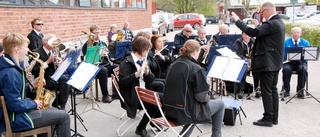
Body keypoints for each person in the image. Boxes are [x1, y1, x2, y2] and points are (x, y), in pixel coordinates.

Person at [0, 32, 70, 137]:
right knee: (64, 116)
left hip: (18, 116)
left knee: (52, 112)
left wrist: (32, 86)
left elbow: (16, 92)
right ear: (17, 49)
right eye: (25, 47)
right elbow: (14, 105)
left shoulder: (9, 67)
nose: (27, 50)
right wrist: (34, 104)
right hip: (18, 119)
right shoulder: (10, 73)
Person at [231, 1, 285, 127]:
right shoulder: (278, 22)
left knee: (267, 90)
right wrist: (259, 25)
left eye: (261, 12)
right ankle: (273, 118)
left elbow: (253, 32)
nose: (261, 15)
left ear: (267, 10)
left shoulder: (272, 23)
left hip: (268, 63)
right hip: (275, 62)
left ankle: (267, 119)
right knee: (272, 90)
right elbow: (263, 32)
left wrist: (238, 21)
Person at [164, 40, 225, 137]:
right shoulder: (195, 68)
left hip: (170, 109)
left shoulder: (173, 64)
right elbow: (201, 97)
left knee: (194, 105)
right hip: (187, 112)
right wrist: (208, 96)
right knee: (220, 104)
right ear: (196, 52)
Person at [119, 36, 162, 137]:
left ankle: (154, 120)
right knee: (156, 104)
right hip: (132, 96)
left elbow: (151, 79)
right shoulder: (127, 63)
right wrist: (136, 74)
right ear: (141, 49)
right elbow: (123, 83)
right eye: (146, 50)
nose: (147, 52)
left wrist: (147, 71)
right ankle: (141, 128)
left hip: (143, 90)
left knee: (163, 96)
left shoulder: (142, 59)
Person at [31, 34, 70, 110]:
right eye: (52, 41)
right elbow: (34, 70)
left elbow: (58, 68)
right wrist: (47, 62)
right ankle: (59, 106)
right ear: (45, 42)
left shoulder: (56, 51)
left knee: (67, 83)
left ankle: (60, 105)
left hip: (55, 77)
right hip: (44, 79)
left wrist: (59, 64)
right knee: (64, 84)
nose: (54, 44)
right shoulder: (36, 52)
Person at [82, 25, 118, 102]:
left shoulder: (103, 43)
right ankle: (105, 96)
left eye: (98, 33)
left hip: (105, 64)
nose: (97, 35)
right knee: (103, 70)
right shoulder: (87, 45)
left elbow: (110, 56)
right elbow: (87, 59)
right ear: (91, 34)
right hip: (93, 67)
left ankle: (116, 93)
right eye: (95, 33)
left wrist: (107, 54)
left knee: (117, 67)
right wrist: (99, 55)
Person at [282, 27, 310, 98]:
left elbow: (307, 57)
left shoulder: (305, 43)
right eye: (294, 32)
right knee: (286, 70)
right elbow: (283, 55)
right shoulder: (286, 42)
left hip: (301, 62)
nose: (296, 34)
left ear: (301, 34)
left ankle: (300, 91)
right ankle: (286, 90)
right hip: (289, 62)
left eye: (298, 32)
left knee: (303, 69)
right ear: (291, 33)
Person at [234, 32, 255, 99]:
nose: (246, 36)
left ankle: (257, 88)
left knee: (259, 70)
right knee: (243, 70)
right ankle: (241, 90)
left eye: (248, 34)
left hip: (253, 62)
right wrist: (245, 59)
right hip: (242, 62)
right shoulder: (238, 42)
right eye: (245, 34)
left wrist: (252, 59)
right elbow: (236, 53)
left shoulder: (254, 42)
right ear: (242, 35)